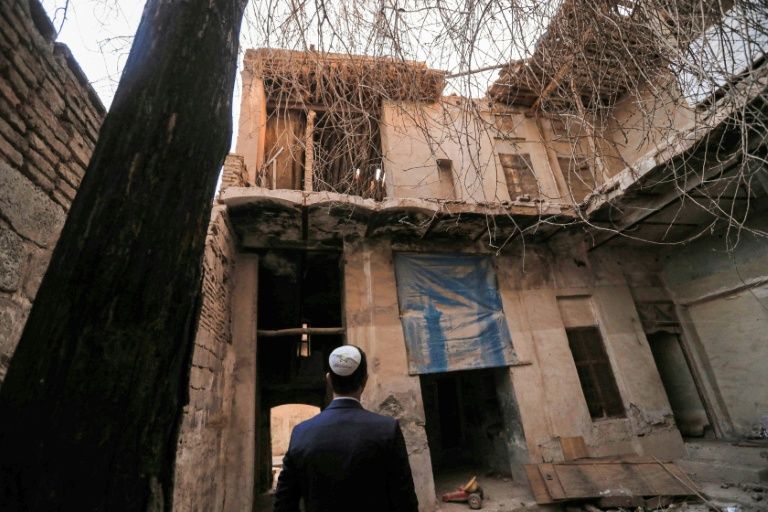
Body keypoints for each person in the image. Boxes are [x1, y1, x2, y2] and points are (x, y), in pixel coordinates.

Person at [273, 345, 419, 512]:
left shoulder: (301, 433)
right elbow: (405, 502)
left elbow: (283, 505)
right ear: (365, 380)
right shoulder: (386, 430)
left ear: (328, 380)